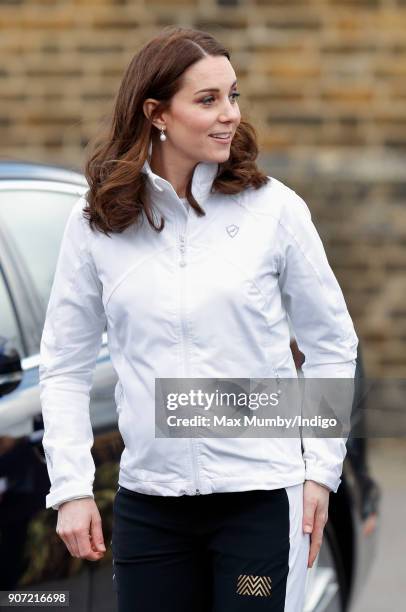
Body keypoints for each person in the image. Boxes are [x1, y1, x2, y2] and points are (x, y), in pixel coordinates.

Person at [39, 26, 359, 612]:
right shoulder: (98, 224)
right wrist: (71, 489)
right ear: (156, 113)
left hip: (258, 507)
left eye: (233, 96)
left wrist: (320, 471)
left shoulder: (274, 210)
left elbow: (333, 343)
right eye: (208, 100)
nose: (230, 114)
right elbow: (63, 365)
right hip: (150, 509)